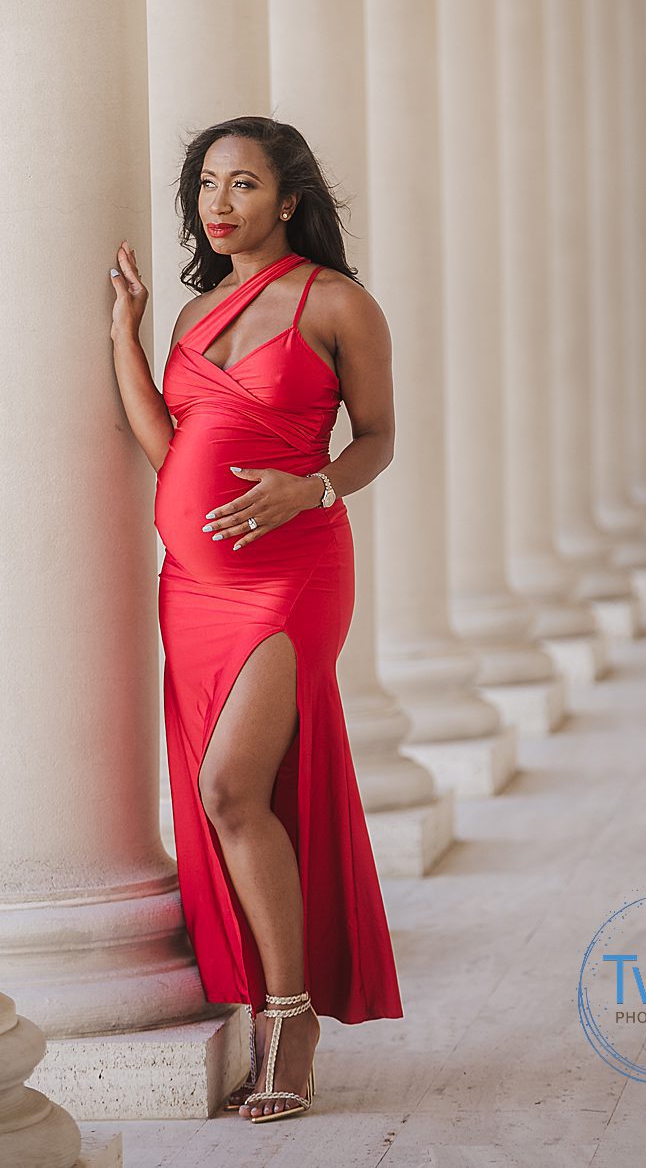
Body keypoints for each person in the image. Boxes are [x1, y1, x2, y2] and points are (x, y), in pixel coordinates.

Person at [108, 116, 405, 1123]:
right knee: (229, 794)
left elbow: (376, 439)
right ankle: (273, 999)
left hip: (287, 575)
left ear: (288, 198)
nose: (218, 203)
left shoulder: (335, 304)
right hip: (190, 583)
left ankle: (290, 1017)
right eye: (204, 185)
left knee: (230, 786)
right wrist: (123, 338)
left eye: (241, 184)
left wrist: (313, 488)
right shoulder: (197, 311)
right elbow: (164, 443)